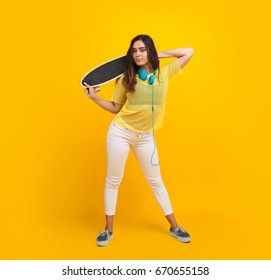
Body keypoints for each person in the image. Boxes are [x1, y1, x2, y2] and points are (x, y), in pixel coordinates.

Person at [84, 34, 194, 246]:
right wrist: (94, 98)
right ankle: (108, 230)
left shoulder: (164, 73)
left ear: (149, 51)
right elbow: (115, 108)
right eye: (134, 51)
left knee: (156, 181)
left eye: (142, 50)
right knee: (113, 180)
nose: (137, 54)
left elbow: (189, 51)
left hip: (146, 137)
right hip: (121, 133)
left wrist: (156, 55)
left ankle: (174, 226)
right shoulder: (127, 78)